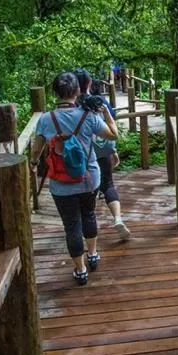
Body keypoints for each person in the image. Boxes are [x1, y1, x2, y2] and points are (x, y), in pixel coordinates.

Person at [30, 72, 118, 285]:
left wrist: (33, 163)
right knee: (89, 215)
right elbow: (113, 135)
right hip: (89, 179)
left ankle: (80, 270)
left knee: (71, 226)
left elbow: (37, 149)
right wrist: (106, 112)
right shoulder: (89, 116)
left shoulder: (45, 119)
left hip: (61, 183)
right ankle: (93, 254)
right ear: (78, 91)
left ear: (55, 93)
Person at [74, 69, 131, 240]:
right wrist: (112, 149)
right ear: (90, 83)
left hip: (80, 153)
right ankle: (118, 218)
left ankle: (84, 229)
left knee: (82, 190)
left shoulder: (71, 106)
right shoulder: (98, 101)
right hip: (101, 150)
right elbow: (110, 124)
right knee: (108, 185)